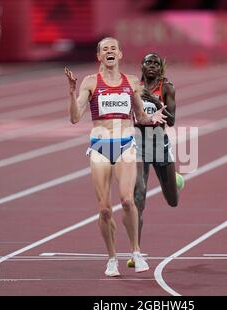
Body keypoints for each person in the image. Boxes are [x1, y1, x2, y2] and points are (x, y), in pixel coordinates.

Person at [64, 37, 167, 276]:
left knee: (127, 200)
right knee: (104, 210)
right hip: (100, 146)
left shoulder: (131, 82)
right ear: (99, 57)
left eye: (113, 48)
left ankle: (136, 251)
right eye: (104, 49)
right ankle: (112, 258)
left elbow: (140, 116)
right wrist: (71, 92)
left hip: (125, 145)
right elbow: (74, 117)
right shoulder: (90, 82)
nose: (109, 52)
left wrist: (152, 119)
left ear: (119, 54)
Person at [127, 53, 183, 268]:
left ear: (161, 68)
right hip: (138, 143)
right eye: (148, 62)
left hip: (159, 142)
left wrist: (155, 101)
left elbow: (172, 120)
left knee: (172, 201)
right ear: (141, 65)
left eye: (156, 63)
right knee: (138, 196)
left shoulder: (167, 87)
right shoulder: (134, 87)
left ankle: (176, 180)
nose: (152, 66)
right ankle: (135, 251)